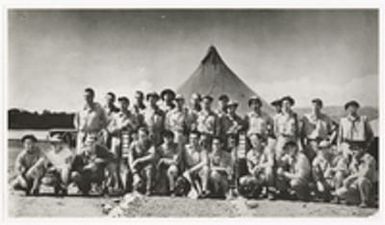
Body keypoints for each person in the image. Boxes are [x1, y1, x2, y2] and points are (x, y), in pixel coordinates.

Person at [107, 97, 139, 192]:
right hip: (117, 140)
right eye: (120, 103)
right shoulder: (115, 116)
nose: (122, 105)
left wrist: (130, 126)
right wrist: (120, 127)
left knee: (125, 161)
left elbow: (136, 127)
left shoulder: (132, 116)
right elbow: (110, 129)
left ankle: (127, 185)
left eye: (125, 103)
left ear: (128, 104)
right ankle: (117, 184)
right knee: (115, 161)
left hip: (127, 139)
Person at [335, 141, 377, 208]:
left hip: (369, 187)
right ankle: (356, 200)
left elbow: (364, 173)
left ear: (362, 150)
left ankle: (365, 201)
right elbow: (348, 172)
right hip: (356, 186)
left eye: (356, 149)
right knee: (339, 193)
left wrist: (350, 178)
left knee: (362, 180)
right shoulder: (354, 160)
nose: (353, 151)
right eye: (352, 149)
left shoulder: (369, 158)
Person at [239, 134, 275, 200]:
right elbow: (250, 169)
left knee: (269, 170)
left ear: (260, 140)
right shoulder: (249, 154)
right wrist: (253, 171)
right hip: (256, 176)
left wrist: (260, 166)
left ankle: (270, 191)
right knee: (242, 180)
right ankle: (255, 191)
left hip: (265, 174)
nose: (254, 142)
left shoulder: (267, 150)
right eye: (252, 141)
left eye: (255, 140)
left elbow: (271, 163)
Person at [74, 88, 107, 153]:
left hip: (93, 135)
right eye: (85, 96)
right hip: (82, 135)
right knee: (80, 155)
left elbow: (105, 121)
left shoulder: (99, 109)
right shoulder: (80, 109)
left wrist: (100, 130)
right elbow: (76, 120)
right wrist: (78, 128)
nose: (86, 98)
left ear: (93, 97)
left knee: (92, 155)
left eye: (89, 96)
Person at [128, 127, 156, 196]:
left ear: (147, 136)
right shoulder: (134, 144)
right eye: (140, 136)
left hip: (146, 164)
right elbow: (130, 158)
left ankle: (148, 189)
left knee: (149, 169)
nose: (141, 138)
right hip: (136, 166)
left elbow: (152, 156)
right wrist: (134, 172)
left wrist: (139, 160)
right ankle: (135, 188)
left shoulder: (150, 144)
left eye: (143, 136)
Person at [182, 131, 210, 198]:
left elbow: (205, 162)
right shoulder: (185, 148)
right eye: (191, 138)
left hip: (197, 170)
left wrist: (192, 170)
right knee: (186, 175)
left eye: (195, 138)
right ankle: (193, 190)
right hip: (187, 170)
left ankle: (204, 190)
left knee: (206, 168)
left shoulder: (202, 149)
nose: (192, 140)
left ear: (199, 139)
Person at [156, 130, 182, 196]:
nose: (167, 139)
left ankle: (172, 190)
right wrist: (162, 161)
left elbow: (176, 161)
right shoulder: (160, 148)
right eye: (165, 138)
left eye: (169, 138)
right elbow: (157, 161)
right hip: (162, 168)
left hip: (173, 167)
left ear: (172, 138)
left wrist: (164, 160)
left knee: (172, 170)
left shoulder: (176, 147)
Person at [274, 96, 301, 160]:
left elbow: (298, 130)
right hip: (282, 140)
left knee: (292, 159)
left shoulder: (295, 116)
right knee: (280, 159)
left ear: (291, 105)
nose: (286, 106)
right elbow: (275, 130)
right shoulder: (277, 117)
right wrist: (281, 138)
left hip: (292, 140)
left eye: (288, 104)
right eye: (284, 104)